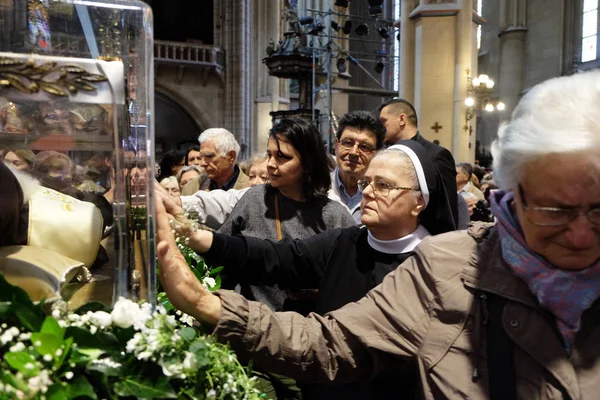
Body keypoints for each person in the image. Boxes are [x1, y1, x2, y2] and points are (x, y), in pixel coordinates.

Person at [156, 71, 600, 399]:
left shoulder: (409, 244)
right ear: (516, 194)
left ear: (419, 201)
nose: (581, 235)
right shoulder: (443, 266)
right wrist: (200, 274)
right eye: (553, 209)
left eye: (598, 211)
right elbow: (311, 313)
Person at [164, 140, 455, 399]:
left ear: (419, 202)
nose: (367, 193)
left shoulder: (434, 265)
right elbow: (276, 256)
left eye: (383, 185)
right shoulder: (344, 242)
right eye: (367, 183)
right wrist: (195, 236)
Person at [378, 99, 458, 230]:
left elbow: (447, 213)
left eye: (383, 121)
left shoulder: (436, 156)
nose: (380, 127)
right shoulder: (385, 155)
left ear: (402, 119)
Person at [328, 110, 386, 224]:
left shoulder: (384, 196)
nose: (354, 152)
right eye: (348, 143)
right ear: (336, 145)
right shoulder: (318, 188)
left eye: (364, 147)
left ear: (377, 153)